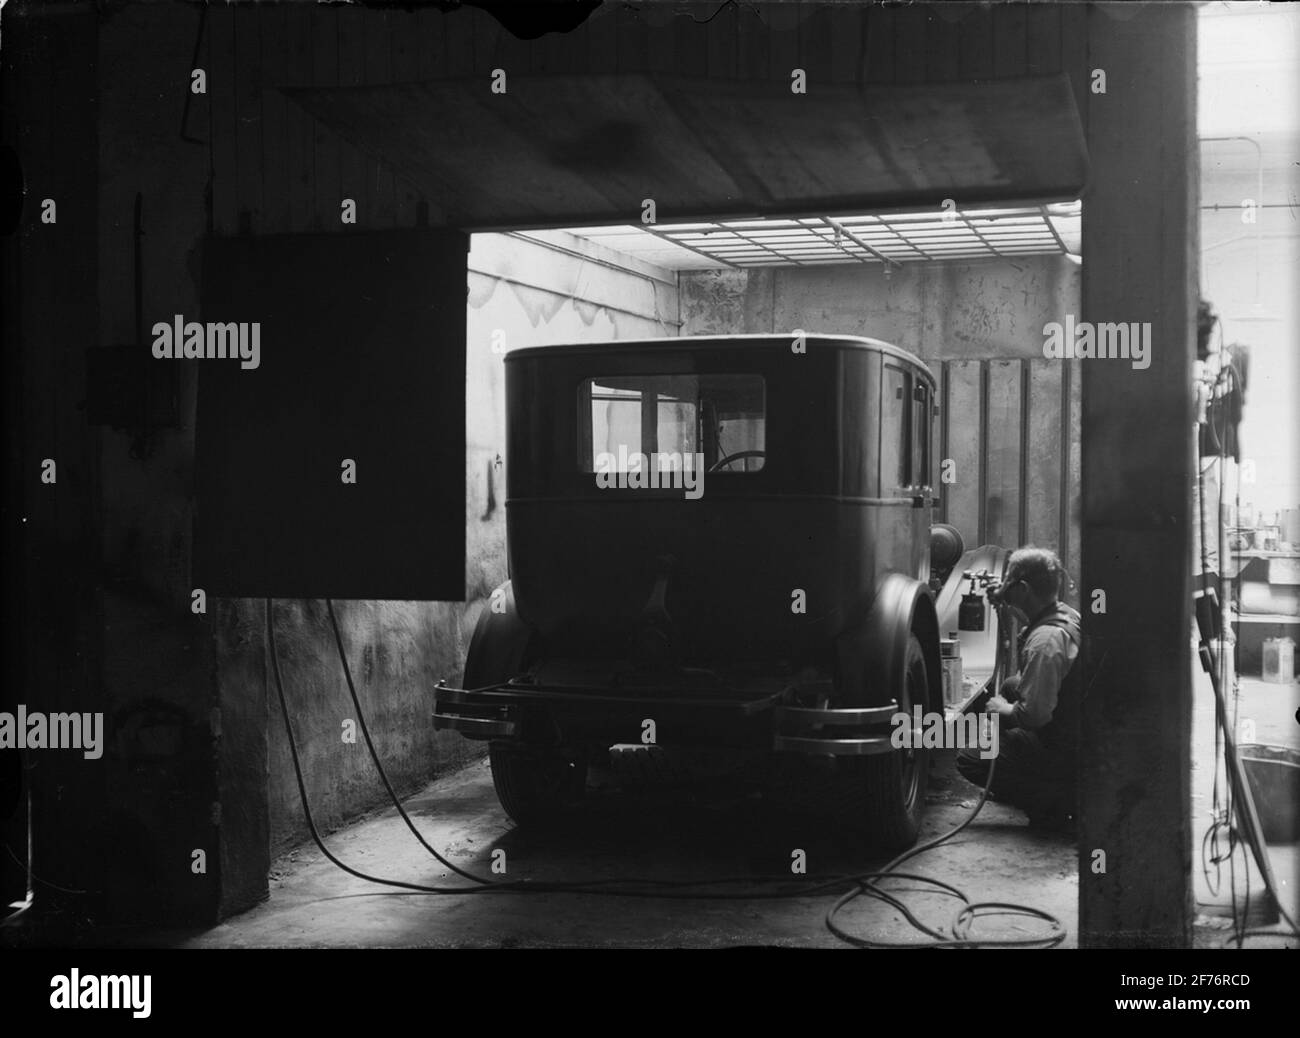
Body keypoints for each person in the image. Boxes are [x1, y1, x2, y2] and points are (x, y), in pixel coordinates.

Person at [956, 547, 1083, 832]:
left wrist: (1002, 709)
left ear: (1023, 588)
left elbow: (1034, 716)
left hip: (1064, 748)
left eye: (1008, 582)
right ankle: (1028, 774)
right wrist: (1005, 602)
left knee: (970, 759)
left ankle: (1055, 802)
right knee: (1013, 685)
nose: (1003, 587)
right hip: (1079, 727)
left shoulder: (1045, 642)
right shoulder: (1064, 613)